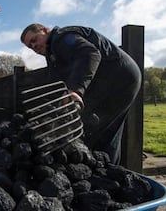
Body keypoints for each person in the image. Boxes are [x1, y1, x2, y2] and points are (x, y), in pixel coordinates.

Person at [20, 23, 142, 165]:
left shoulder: (62, 38)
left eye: (34, 40)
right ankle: (111, 172)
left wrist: (75, 90)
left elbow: (89, 53)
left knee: (95, 130)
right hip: (120, 79)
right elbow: (58, 81)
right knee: (108, 132)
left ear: (45, 30)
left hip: (117, 78)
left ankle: (103, 173)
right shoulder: (53, 55)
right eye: (30, 46)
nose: (34, 47)